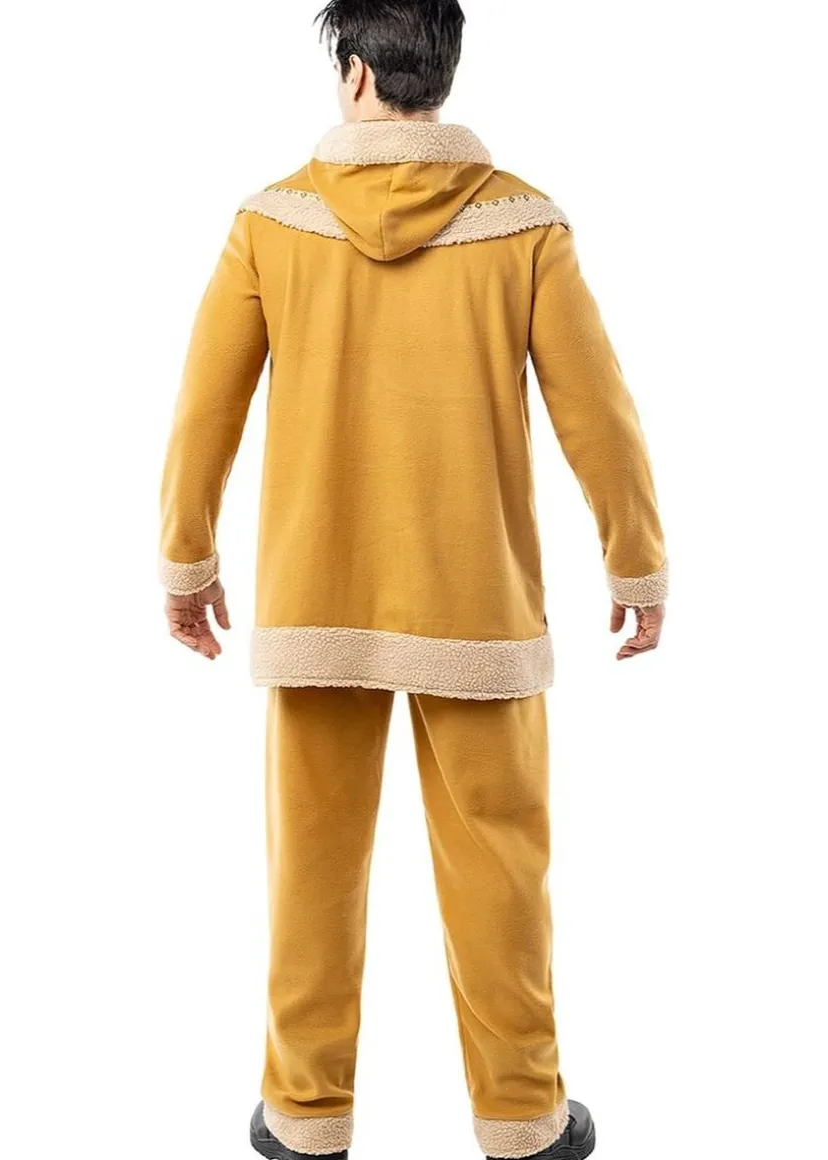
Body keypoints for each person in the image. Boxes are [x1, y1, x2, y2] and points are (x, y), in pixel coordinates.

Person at [159, 2, 666, 1157]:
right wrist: (634, 559)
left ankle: (305, 1117)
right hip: (475, 607)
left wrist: (187, 556)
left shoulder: (269, 222)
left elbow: (202, 410)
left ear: (353, 73)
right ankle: (523, 1118)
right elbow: (599, 415)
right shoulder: (524, 222)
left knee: (312, 869)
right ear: (438, 73)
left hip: (317, 601)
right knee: (502, 867)